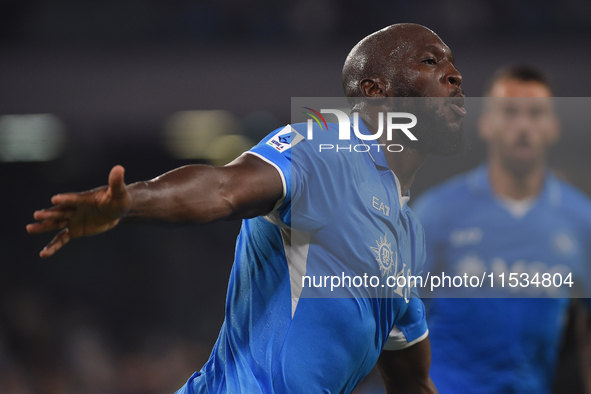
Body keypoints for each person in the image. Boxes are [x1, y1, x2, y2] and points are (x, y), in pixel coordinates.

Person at [27, 23, 466, 394]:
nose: (454, 76)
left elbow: (412, 381)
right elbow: (223, 187)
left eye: (451, 63)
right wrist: (133, 201)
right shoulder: (326, 150)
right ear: (377, 94)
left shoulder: (408, 236)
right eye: (430, 62)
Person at [412, 65, 591, 393]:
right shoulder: (437, 213)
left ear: (553, 127)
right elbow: (389, 320)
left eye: (536, 114)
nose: (523, 126)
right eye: (509, 112)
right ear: (486, 124)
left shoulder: (582, 221)